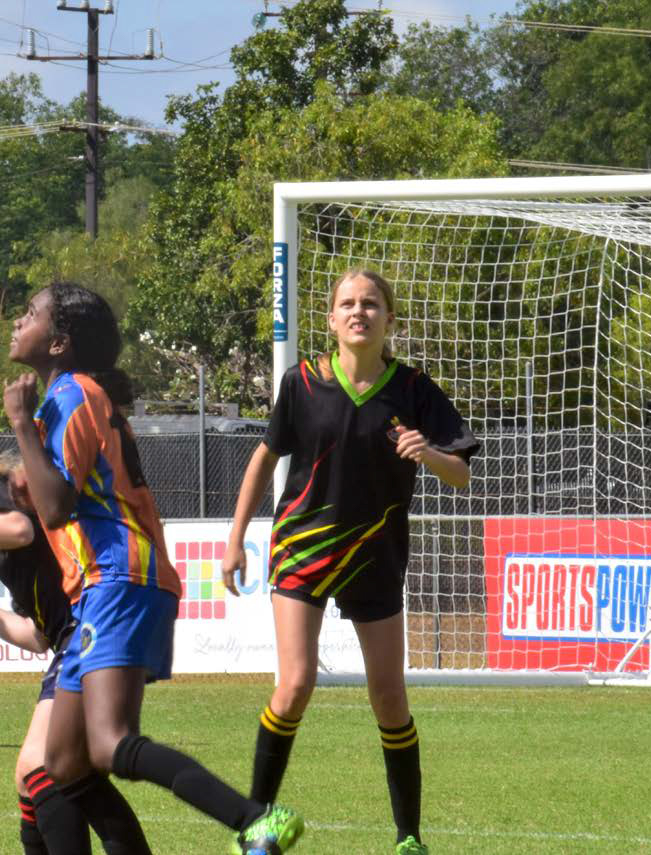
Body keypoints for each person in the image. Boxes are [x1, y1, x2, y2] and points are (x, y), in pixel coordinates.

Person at [3, 282, 304, 855]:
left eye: (30, 314)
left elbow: (57, 506)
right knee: (64, 763)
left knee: (112, 743)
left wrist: (20, 425)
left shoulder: (70, 394)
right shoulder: (74, 394)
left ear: (60, 342)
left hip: (120, 577)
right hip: (108, 585)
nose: (19, 322)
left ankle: (254, 818)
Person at [221, 269, 478, 855]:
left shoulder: (413, 388)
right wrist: (236, 538)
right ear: (332, 319)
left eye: (371, 304)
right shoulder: (302, 382)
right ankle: (253, 826)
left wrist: (429, 452)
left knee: (389, 696)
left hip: (375, 553)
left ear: (390, 319)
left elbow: (461, 473)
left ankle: (409, 837)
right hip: (302, 546)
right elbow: (265, 456)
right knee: (294, 686)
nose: (358, 312)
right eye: (347, 304)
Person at [0, 453, 149, 855]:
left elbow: (20, 528)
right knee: (56, 777)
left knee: (38, 766)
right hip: (73, 641)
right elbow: (38, 636)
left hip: (87, 633)